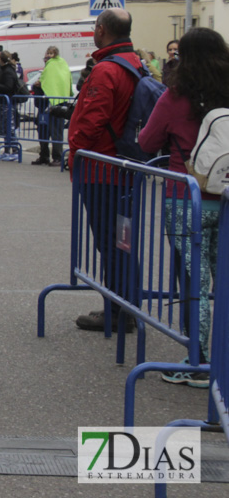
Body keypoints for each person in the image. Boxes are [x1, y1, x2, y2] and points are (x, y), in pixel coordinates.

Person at [137, 27, 229, 389]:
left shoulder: (177, 96)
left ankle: (199, 360)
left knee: (195, 282)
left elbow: (148, 141)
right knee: (221, 279)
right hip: (225, 198)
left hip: (186, 198)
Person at [69, 8, 143, 332]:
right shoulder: (135, 64)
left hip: (102, 169)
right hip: (123, 168)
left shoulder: (106, 71)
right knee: (122, 242)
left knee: (110, 242)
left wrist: (75, 147)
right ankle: (126, 306)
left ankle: (118, 312)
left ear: (100, 30)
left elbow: (92, 119)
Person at [31, 46, 72, 166]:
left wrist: (40, 84)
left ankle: (57, 157)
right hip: (45, 105)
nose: (49, 55)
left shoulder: (59, 65)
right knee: (42, 130)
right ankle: (43, 156)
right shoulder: (48, 67)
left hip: (56, 104)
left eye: (51, 53)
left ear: (56, 54)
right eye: (47, 53)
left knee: (56, 132)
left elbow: (58, 82)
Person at [0, 50, 20, 161]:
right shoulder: (6, 69)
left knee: (9, 128)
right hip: (5, 102)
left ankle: (14, 151)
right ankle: (8, 150)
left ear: (1, 59)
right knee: (7, 128)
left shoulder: (8, 71)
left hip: (7, 102)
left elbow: (8, 87)